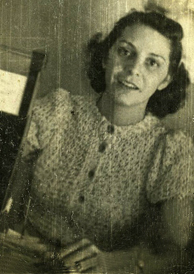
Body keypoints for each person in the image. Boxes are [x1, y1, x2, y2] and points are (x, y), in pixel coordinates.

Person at [9, 10, 194, 273]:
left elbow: (175, 250)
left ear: (166, 79)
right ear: (107, 56)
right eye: (125, 52)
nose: (132, 70)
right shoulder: (58, 110)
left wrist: (112, 263)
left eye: (152, 63)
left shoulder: (169, 150)